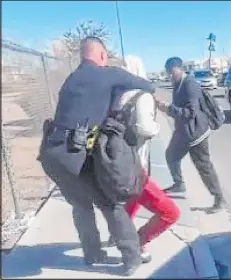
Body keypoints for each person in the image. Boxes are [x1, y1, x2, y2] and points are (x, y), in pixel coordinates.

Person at [38, 37, 155, 275]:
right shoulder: (109, 74)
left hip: (51, 155)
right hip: (75, 155)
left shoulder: (71, 79)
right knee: (109, 204)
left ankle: (92, 253)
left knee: (81, 206)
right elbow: (147, 86)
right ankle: (132, 257)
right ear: (102, 55)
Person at [106, 55, 180, 261]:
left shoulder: (115, 95)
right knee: (170, 212)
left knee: (132, 202)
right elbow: (145, 128)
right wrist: (157, 127)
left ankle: (118, 235)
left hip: (116, 163)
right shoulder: (142, 95)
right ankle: (138, 242)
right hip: (135, 167)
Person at [156, 57, 225, 213]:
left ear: (179, 68)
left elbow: (190, 113)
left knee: (204, 166)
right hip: (183, 132)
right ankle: (178, 184)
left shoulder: (190, 84)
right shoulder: (177, 84)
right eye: (167, 72)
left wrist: (166, 107)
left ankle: (218, 198)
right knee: (171, 155)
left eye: (170, 71)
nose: (169, 75)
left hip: (196, 134)